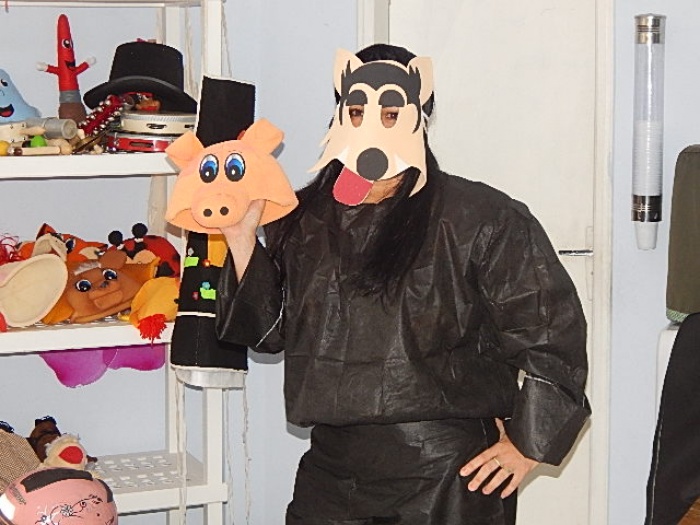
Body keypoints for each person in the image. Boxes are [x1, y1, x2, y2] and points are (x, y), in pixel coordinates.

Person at [216, 43, 590, 525]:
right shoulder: (304, 218)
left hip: (444, 474)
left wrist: (528, 444)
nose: (373, 124)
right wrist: (241, 236)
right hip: (333, 471)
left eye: (391, 113)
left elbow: (550, 332)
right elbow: (268, 334)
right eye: (357, 111)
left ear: (419, 116)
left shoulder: (482, 218)